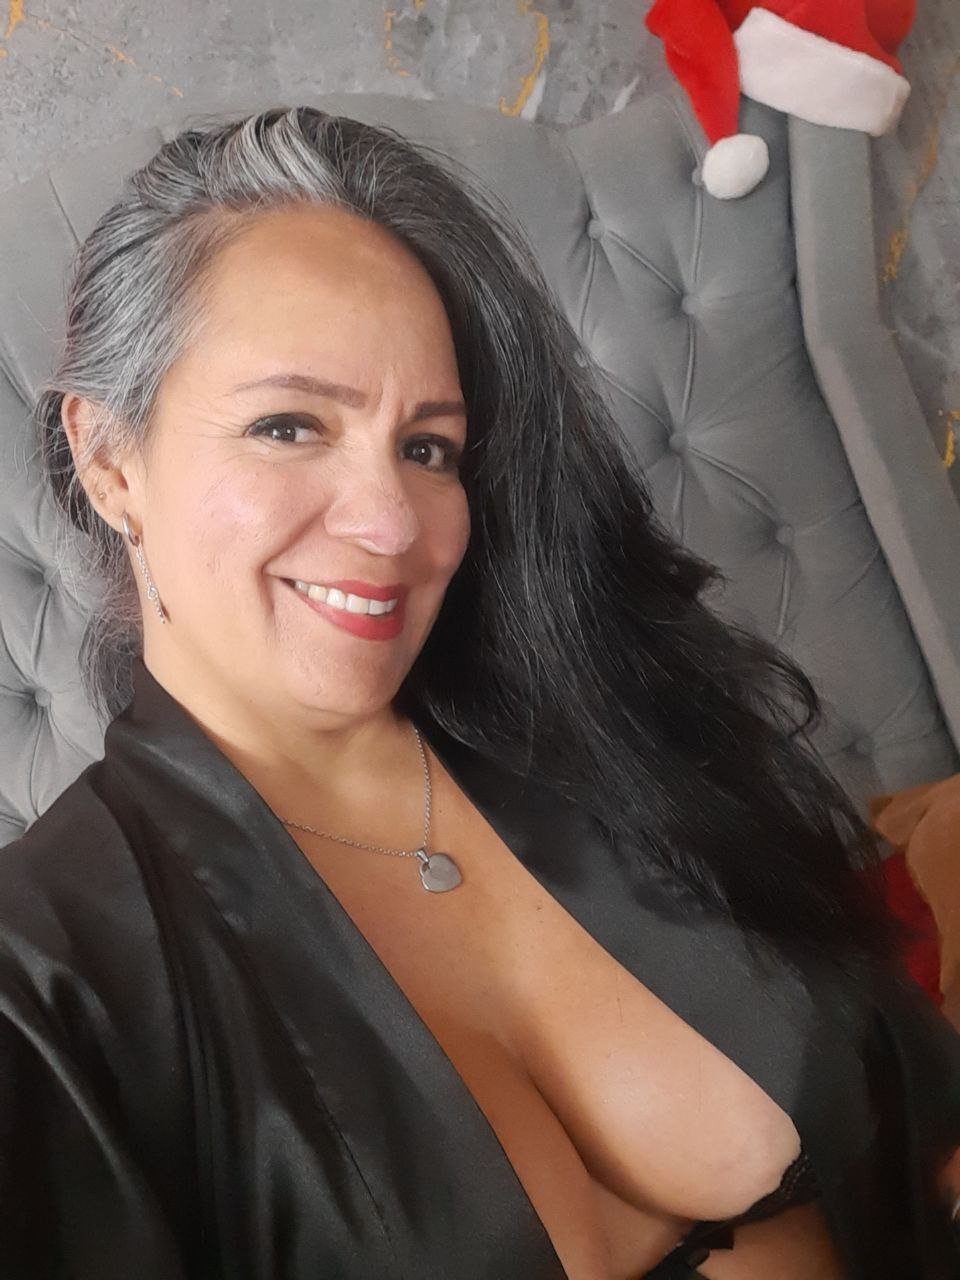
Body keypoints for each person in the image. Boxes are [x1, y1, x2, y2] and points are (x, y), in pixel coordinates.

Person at [2, 105, 958, 1279]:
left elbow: (900, 1089)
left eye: (428, 447)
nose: (392, 524)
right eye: (289, 425)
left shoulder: (597, 715)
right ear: (108, 459)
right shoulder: (42, 986)